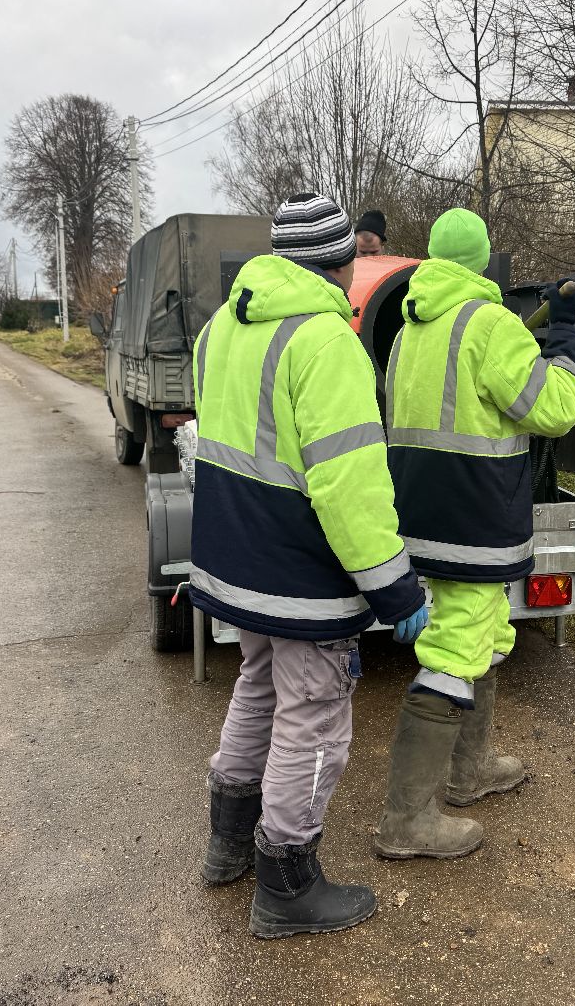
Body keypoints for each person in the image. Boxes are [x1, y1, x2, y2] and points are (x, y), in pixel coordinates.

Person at [190, 192, 429, 937]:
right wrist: (395, 587)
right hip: (302, 576)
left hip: (237, 563)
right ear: (345, 263)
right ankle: (287, 884)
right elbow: (349, 485)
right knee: (315, 719)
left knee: (257, 688)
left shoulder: (221, 327)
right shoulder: (327, 343)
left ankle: (228, 845)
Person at [374, 208, 575, 859]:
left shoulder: (409, 330)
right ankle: (407, 821)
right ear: (483, 260)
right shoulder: (489, 326)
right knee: (455, 652)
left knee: (489, 635)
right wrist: (566, 338)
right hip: (474, 520)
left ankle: (472, 769)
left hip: (420, 516)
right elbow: (555, 409)